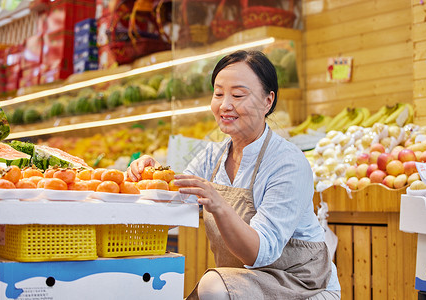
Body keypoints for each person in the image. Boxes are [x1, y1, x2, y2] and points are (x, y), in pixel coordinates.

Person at [127, 50, 341, 299]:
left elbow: (259, 252)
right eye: (218, 94)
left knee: (214, 286)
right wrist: (151, 178)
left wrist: (218, 204)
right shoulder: (213, 155)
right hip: (245, 284)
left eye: (238, 95)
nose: (225, 105)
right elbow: (175, 207)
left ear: (267, 101)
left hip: (302, 287)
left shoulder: (288, 162)